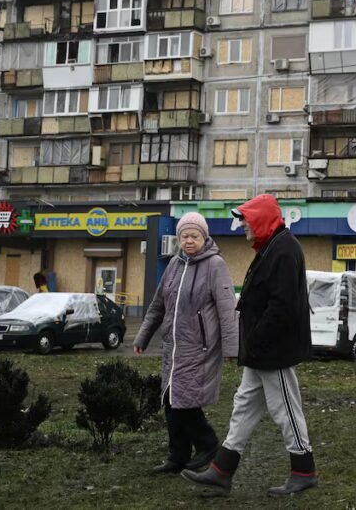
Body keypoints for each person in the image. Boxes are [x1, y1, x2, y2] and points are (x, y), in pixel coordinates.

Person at [182, 194, 317, 497]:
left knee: (286, 409)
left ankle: (304, 471)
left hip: (273, 350)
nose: (242, 226)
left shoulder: (283, 249)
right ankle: (221, 471)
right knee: (243, 406)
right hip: (262, 350)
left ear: (261, 220)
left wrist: (254, 339)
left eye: (246, 220)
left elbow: (282, 306)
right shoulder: (274, 247)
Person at [133, 212, 238, 475]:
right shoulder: (174, 265)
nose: (189, 241)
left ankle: (209, 444)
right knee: (170, 400)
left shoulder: (215, 265)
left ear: (204, 237)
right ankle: (177, 457)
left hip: (200, 346)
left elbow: (227, 309)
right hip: (173, 346)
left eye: (194, 236)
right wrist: (142, 336)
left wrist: (231, 347)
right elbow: (158, 305)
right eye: (184, 236)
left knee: (185, 400)